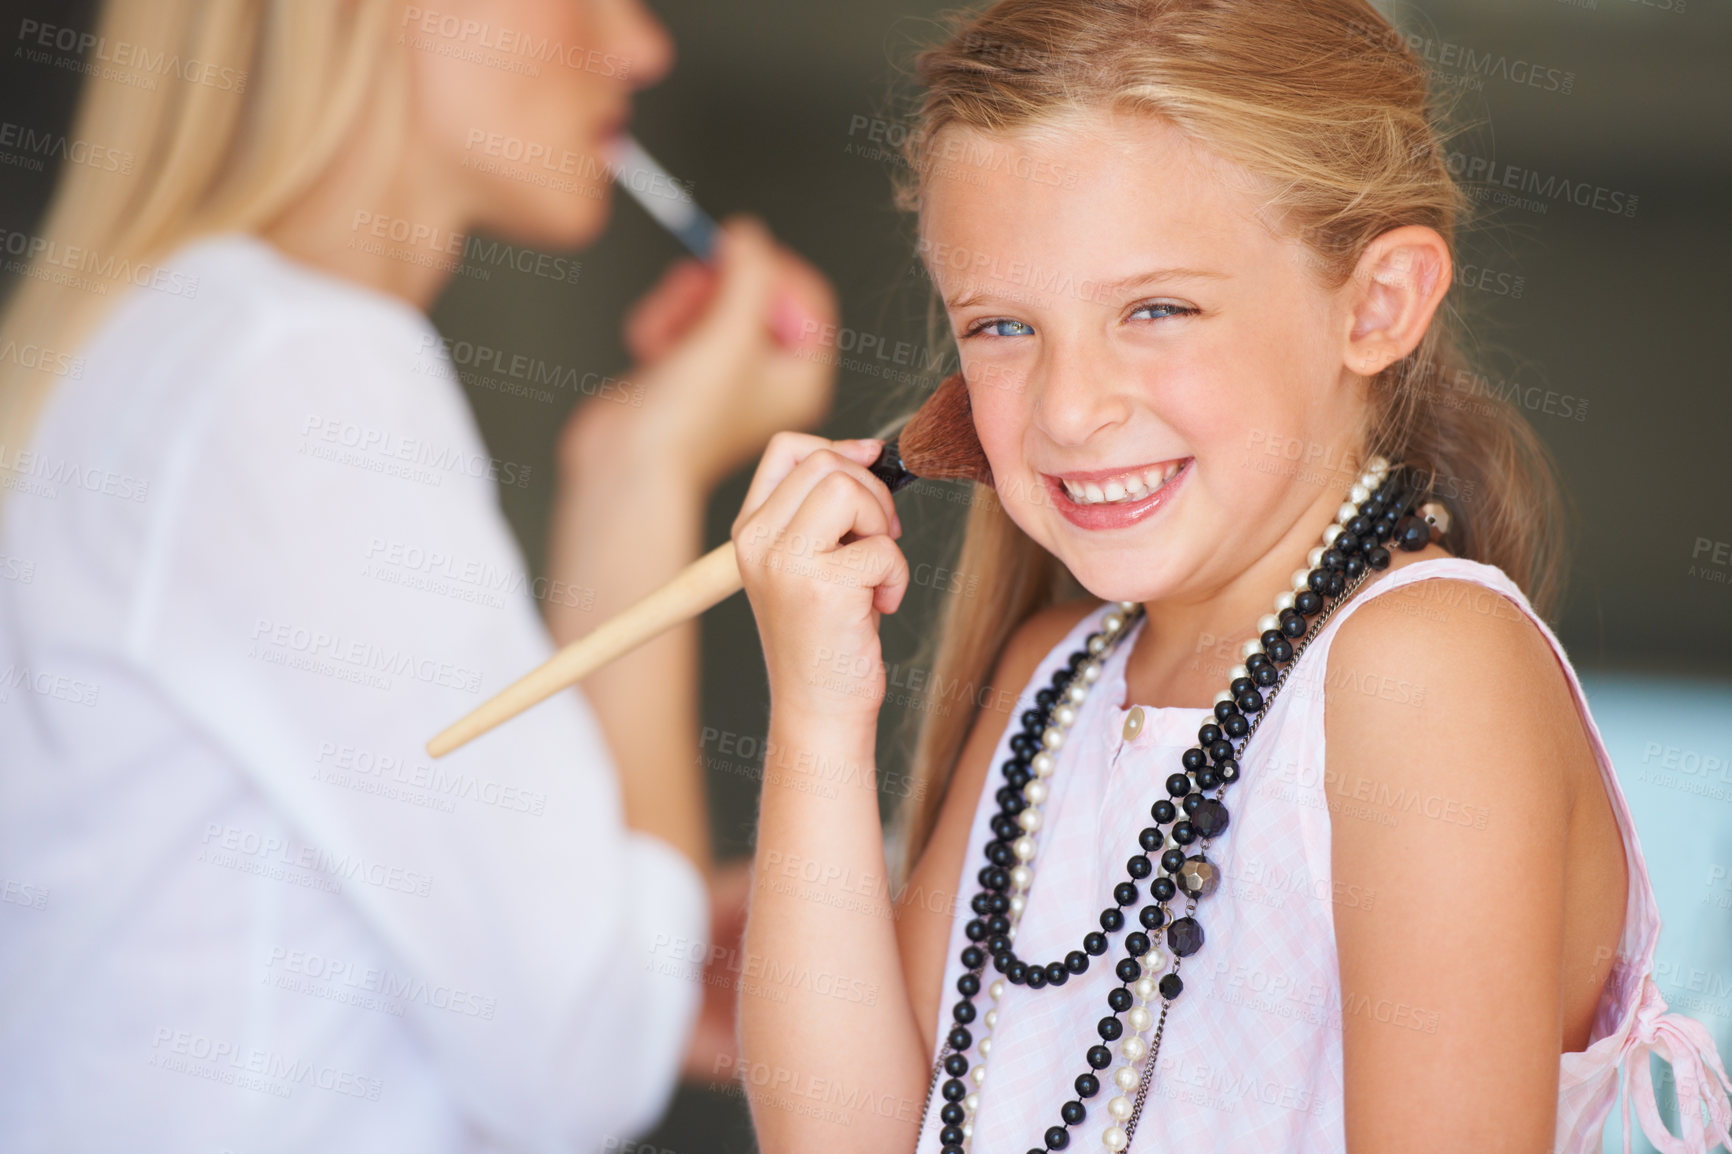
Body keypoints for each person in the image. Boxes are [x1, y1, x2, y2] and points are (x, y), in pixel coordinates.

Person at [725, 1, 1732, 1152]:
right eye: (1003, 326)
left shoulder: (1422, 671)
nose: (1066, 406)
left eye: (1156, 309)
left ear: (1377, 303)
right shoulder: (1044, 684)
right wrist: (813, 712)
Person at [0, 0, 836, 1149]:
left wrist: (630, 914)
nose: (639, 47)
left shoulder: (173, 351)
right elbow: (585, 1055)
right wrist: (646, 477)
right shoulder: (294, 375)